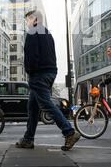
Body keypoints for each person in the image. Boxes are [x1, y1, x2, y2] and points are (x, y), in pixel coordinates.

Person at [15, 10, 80, 151]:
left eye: (28, 20)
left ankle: (69, 132)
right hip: (50, 72)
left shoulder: (33, 32)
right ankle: (28, 139)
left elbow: (31, 56)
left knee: (46, 104)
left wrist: (30, 72)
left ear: (35, 19)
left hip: (39, 74)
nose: (27, 23)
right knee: (32, 107)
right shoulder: (47, 33)